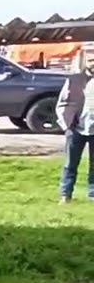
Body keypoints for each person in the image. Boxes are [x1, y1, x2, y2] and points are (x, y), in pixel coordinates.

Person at [57, 54, 93, 204]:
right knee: (70, 164)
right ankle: (65, 195)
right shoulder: (74, 80)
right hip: (76, 128)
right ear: (86, 62)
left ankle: (92, 195)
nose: (93, 63)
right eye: (91, 60)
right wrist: (66, 124)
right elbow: (62, 103)